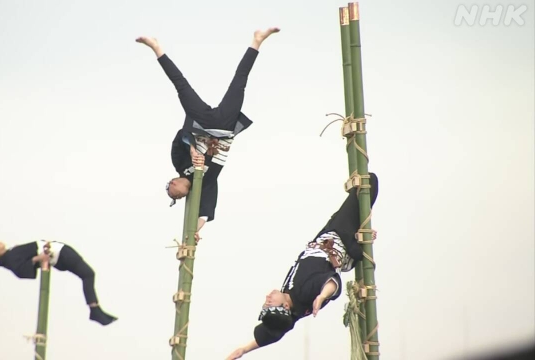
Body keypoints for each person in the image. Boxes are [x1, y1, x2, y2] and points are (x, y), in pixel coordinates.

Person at [136, 27, 280, 239]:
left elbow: (180, 136)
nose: (172, 188)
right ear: (185, 195)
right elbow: (205, 212)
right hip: (225, 128)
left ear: (174, 179)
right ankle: (257, 41)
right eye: (174, 194)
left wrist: (193, 149)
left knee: (181, 85)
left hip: (201, 123)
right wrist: (194, 230)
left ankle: (156, 48)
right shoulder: (206, 183)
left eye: (169, 187)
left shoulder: (179, 164)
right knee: (240, 82)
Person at [225, 173, 379, 359]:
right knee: (368, 181)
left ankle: (357, 241)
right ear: (284, 306)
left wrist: (244, 350)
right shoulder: (304, 293)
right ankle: (357, 242)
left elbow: (273, 333)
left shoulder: (291, 306)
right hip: (341, 237)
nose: (268, 297)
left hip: (328, 235)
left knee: (359, 191)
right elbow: (332, 284)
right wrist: (322, 297)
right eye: (270, 302)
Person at [0, 239, 117, 326]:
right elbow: (23, 272)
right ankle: (94, 310)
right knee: (88, 274)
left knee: (88, 274)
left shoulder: (10, 255)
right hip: (59, 254)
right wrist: (38, 258)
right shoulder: (10, 259)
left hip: (59, 252)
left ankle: (95, 309)